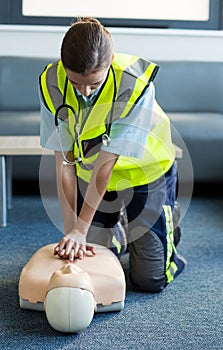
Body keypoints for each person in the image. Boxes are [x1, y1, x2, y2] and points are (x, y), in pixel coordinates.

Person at [39, 17, 186, 293]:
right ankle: (118, 228)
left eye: (94, 85)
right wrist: (71, 228)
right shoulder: (52, 82)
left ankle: (168, 221)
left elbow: (106, 165)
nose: (84, 92)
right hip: (91, 174)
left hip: (146, 173)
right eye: (76, 82)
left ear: (110, 62)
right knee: (89, 258)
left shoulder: (134, 85)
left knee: (149, 280)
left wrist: (82, 230)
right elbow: (64, 161)